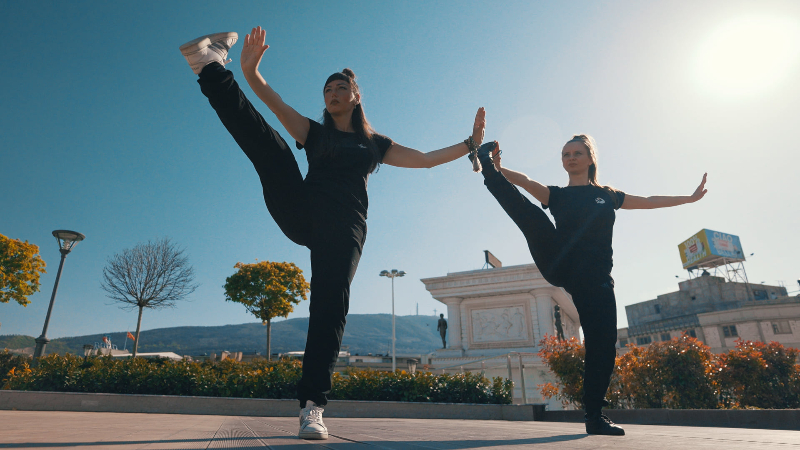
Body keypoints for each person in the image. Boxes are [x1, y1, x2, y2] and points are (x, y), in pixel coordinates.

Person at [179, 28, 485, 440]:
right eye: (327, 90)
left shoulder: (374, 144)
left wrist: (470, 144)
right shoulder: (314, 132)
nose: (333, 93)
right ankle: (209, 67)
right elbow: (272, 102)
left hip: (344, 229)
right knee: (273, 148)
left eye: (341, 88)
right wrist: (250, 72)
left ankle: (312, 408)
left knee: (329, 307)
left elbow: (426, 159)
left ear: (356, 96)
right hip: (303, 210)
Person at [471, 135, 707, 436]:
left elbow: (648, 201)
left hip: (595, 278)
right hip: (560, 260)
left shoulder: (608, 196)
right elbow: (526, 182)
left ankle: (594, 417)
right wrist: (496, 168)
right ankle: (487, 169)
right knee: (531, 215)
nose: (570, 158)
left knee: (603, 344)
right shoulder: (556, 195)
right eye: (565, 154)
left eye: (577, 153)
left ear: (590, 158)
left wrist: (688, 198)